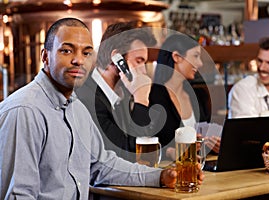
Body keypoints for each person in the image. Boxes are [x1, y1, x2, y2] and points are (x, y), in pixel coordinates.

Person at [0, 17, 204, 199]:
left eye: (86, 53)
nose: (79, 60)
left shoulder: (77, 109)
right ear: (45, 57)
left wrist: (161, 176)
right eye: (66, 50)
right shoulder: (25, 110)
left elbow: (103, 165)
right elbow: (18, 195)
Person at [75, 21, 160, 162]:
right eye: (139, 61)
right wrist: (141, 100)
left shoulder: (122, 94)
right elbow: (126, 156)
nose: (144, 71)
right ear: (117, 58)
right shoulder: (87, 99)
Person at [149, 33, 220, 161]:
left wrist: (213, 144)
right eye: (195, 56)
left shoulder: (198, 95)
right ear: (176, 57)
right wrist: (170, 152)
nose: (200, 63)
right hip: (168, 171)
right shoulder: (152, 97)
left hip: (199, 169)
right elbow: (145, 143)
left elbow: (203, 137)